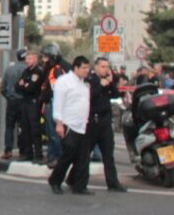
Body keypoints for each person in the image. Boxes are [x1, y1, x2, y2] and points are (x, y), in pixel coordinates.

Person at [49, 56, 93, 195]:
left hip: (83, 125)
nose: (87, 71)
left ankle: (79, 185)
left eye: (88, 68)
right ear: (76, 68)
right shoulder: (64, 82)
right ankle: (55, 180)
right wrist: (59, 124)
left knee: (83, 158)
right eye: (84, 68)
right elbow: (58, 104)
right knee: (67, 156)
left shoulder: (84, 83)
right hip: (69, 125)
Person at [88, 57, 127, 191]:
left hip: (105, 121)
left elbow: (115, 95)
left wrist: (110, 83)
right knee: (84, 153)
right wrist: (101, 85)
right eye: (103, 66)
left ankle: (113, 182)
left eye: (107, 66)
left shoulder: (107, 80)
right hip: (93, 120)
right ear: (96, 67)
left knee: (108, 154)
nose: (106, 69)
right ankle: (74, 178)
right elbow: (90, 96)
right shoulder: (91, 80)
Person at [40, 44, 68, 165]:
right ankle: (51, 155)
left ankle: (58, 157)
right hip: (49, 102)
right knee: (49, 132)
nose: (43, 60)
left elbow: (57, 89)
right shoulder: (50, 69)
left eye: (46, 57)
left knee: (54, 133)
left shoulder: (56, 70)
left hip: (54, 103)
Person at [15, 51, 45, 163]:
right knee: (25, 128)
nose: (27, 61)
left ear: (36, 59)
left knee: (35, 129)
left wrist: (24, 85)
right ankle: (28, 153)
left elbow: (31, 88)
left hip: (34, 102)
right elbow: (17, 86)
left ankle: (38, 154)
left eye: (30, 59)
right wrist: (23, 85)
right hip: (25, 102)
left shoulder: (38, 71)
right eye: (27, 59)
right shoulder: (26, 71)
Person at [1, 49, 27, 158]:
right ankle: (22, 150)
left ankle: (8, 150)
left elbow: (2, 88)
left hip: (12, 102)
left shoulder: (9, 70)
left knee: (9, 127)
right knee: (24, 127)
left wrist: (9, 97)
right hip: (24, 102)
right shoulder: (28, 70)